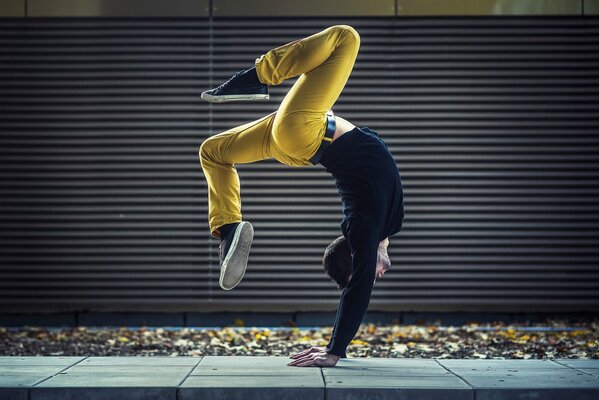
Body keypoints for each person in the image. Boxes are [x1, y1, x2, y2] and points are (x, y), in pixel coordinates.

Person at [199, 25, 404, 367]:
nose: (377, 276)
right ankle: (228, 228)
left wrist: (335, 350)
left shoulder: (362, 226)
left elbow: (358, 290)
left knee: (346, 37)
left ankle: (255, 75)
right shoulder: (388, 225)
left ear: (357, 257)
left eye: (369, 273)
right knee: (213, 151)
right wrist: (378, 250)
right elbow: (365, 271)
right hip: (296, 143)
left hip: (305, 132)